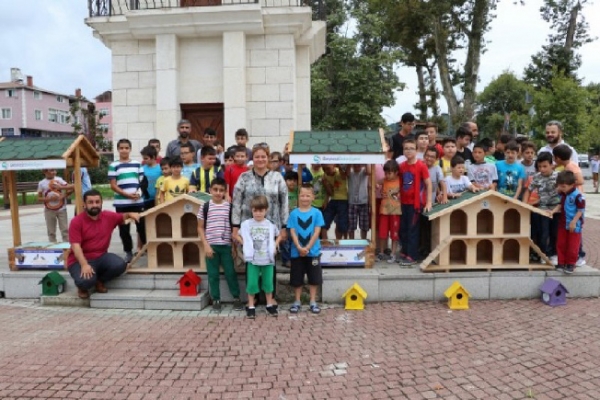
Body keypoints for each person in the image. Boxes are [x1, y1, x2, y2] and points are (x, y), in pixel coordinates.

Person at [231, 143, 288, 302]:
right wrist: (235, 226)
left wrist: (284, 226)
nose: (260, 159)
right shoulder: (244, 178)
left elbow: (284, 202)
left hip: (272, 226)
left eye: (263, 156)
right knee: (252, 259)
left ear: (268, 158)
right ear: (252, 158)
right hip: (250, 227)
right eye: (257, 156)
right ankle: (253, 296)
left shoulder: (277, 177)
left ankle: (271, 296)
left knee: (270, 258)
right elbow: (236, 202)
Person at [67, 189, 141, 299]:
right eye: (90, 202)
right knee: (86, 281)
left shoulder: (108, 216)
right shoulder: (76, 221)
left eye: (97, 202)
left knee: (120, 265)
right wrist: (84, 265)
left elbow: (122, 216)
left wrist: (130, 213)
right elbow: (75, 246)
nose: (94, 205)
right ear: (84, 204)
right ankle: (82, 287)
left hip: (101, 256)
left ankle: (99, 281)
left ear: (101, 203)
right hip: (79, 259)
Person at [197, 178, 243, 311]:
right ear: (210, 190)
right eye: (215, 189)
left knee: (230, 273)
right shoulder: (205, 206)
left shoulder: (229, 207)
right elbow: (200, 227)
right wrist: (206, 245)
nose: (218, 193)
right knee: (213, 274)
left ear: (225, 192)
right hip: (211, 246)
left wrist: (234, 247)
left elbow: (232, 228)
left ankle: (236, 297)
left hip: (226, 246)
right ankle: (216, 299)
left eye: (221, 190)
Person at [233, 195, 282, 318]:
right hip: (253, 260)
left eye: (261, 210)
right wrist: (246, 244)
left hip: (268, 260)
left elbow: (279, 235)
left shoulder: (270, 225)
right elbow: (236, 235)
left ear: (266, 210)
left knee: (268, 283)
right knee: (252, 284)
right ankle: (251, 306)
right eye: (255, 210)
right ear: (251, 210)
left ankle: (269, 305)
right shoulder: (247, 224)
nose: (258, 213)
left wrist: (275, 245)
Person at [288, 184, 325, 314]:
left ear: (313, 197)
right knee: (297, 278)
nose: (305, 198)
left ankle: (312, 301)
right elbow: (292, 231)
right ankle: (297, 301)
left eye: (307, 195)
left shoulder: (317, 213)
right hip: (296, 252)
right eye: (302, 195)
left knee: (314, 277)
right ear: (298, 197)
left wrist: (308, 247)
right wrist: (299, 247)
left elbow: (317, 232)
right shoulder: (293, 213)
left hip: (313, 252)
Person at [108, 139, 146, 263]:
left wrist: (137, 194)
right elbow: (113, 185)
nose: (124, 150)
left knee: (142, 227)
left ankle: (146, 249)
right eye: (121, 148)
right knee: (124, 229)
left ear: (130, 149)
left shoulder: (137, 164)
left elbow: (142, 182)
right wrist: (126, 195)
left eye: (126, 148)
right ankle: (128, 252)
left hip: (137, 202)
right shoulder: (113, 165)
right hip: (122, 203)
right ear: (118, 149)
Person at [398, 139, 432, 265]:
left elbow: (428, 184)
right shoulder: (401, 166)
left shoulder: (421, 166)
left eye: (411, 148)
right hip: (403, 203)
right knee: (403, 229)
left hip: (416, 204)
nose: (408, 151)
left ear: (416, 150)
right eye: (406, 148)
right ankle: (405, 252)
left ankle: (412, 256)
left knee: (413, 230)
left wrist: (428, 202)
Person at [522, 152, 560, 265]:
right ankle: (543, 255)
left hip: (556, 210)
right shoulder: (536, 177)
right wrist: (524, 205)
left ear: (552, 165)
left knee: (555, 233)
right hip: (542, 210)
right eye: (539, 166)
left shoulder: (558, 176)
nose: (542, 169)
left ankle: (553, 254)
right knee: (543, 234)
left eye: (545, 166)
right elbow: (528, 191)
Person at [553, 143, 586, 267]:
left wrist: (567, 184)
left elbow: (581, 180)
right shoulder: (566, 166)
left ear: (558, 158)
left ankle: (578, 256)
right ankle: (564, 260)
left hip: (575, 199)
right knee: (565, 232)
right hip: (567, 199)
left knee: (575, 234)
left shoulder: (571, 166)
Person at [549, 171, 585, 274]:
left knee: (572, 245)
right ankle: (561, 262)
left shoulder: (578, 196)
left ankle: (570, 264)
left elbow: (580, 210)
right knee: (561, 243)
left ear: (572, 184)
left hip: (574, 225)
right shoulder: (563, 194)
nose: (561, 188)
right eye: (560, 186)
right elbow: (560, 204)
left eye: (563, 186)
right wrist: (552, 211)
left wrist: (574, 222)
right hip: (563, 223)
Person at [38, 168, 73, 243]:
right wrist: (49, 199)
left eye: (55, 170)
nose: (54, 172)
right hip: (49, 210)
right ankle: (53, 246)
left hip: (61, 209)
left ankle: (67, 246)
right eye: (51, 170)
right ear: (45, 171)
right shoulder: (41, 183)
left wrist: (64, 195)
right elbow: (39, 198)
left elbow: (71, 188)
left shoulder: (59, 180)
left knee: (65, 229)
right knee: (51, 231)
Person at [378, 160, 401, 262]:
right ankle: (382, 252)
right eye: (386, 173)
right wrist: (377, 187)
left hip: (396, 211)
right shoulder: (384, 180)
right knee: (383, 233)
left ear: (396, 172)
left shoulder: (400, 180)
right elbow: (374, 183)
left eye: (389, 173)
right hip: (384, 210)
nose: (387, 175)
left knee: (394, 234)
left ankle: (393, 253)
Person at [322, 164, 349, 239]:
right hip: (333, 199)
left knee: (341, 224)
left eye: (328, 168)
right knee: (324, 222)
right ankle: (325, 243)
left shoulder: (339, 171)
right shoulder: (325, 176)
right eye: (324, 169)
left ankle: (342, 242)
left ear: (333, 166)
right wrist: (325, 184)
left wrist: (338, 165)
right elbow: (331, 193)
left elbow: (344, 176)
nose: (326, 171)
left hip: (343, 200)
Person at [280, 170, 299, 268]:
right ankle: (286, 260)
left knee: (294, 240)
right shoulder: (283, 192)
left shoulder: (298, 192)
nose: (292, 182)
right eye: (289, 180)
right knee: (285, 241)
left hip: (296, 221)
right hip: (286, 221)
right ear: (285, 181)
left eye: (295, 180)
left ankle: (294, 259)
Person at [347, 164, 370, 240]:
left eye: (358, 165)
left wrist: (366, 162)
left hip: (363, 202)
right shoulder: (350, 172)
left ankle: (363, 241)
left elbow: (369, 171)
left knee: (364, 226)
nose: (357, 167)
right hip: (352, 202)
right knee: (351, 225)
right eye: (355, 166)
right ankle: (351, 242)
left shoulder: (364, 171)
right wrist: (349, 163)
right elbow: (347, 173)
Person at [140, 145, 162, 210]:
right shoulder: (142, 169)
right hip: (145, 200)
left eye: (146, 158)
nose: (144, 160)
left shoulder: (161, 168)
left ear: (153, 157)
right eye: (143, 158)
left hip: (158, 199)